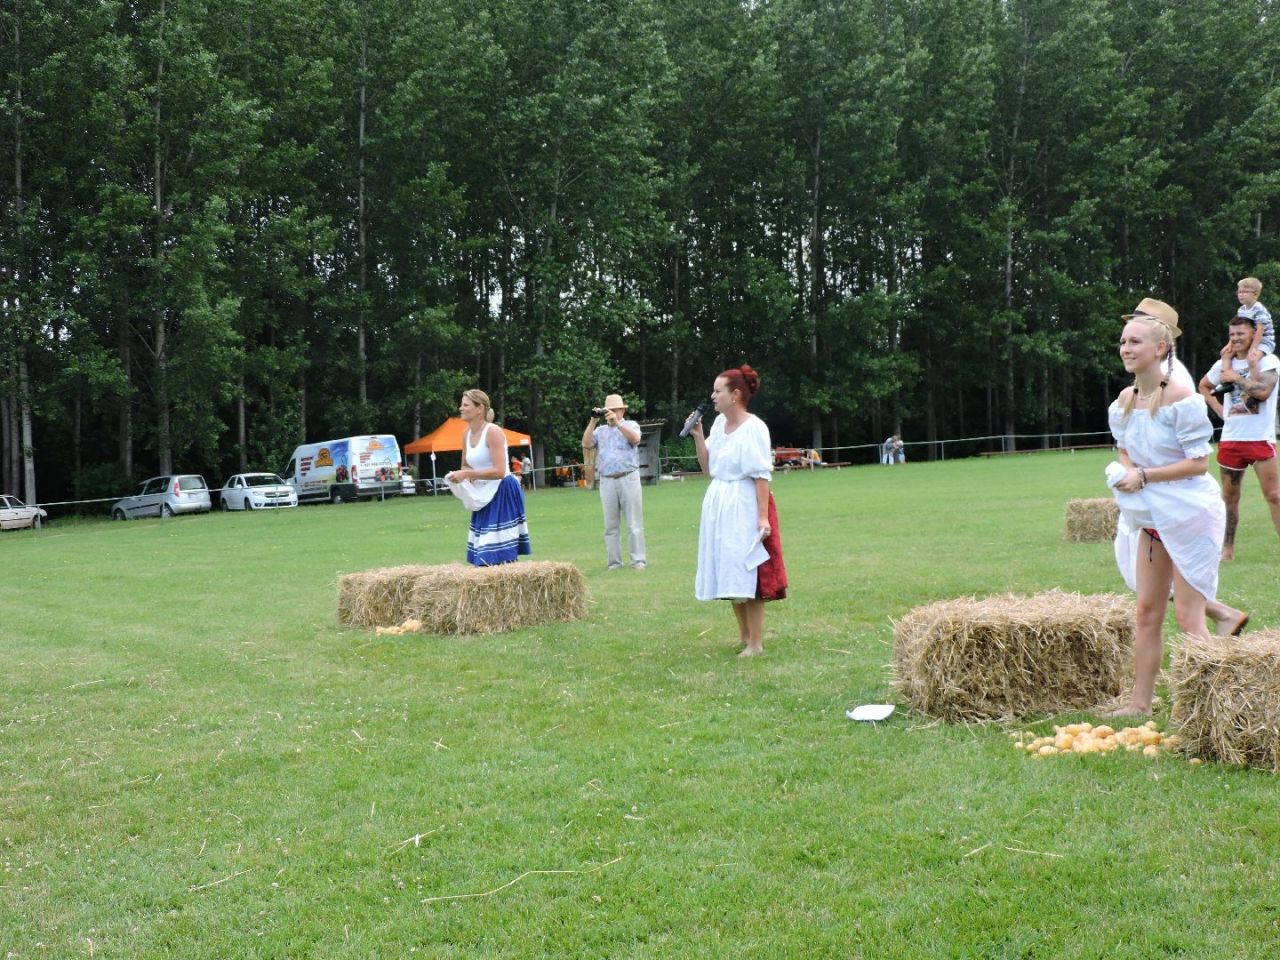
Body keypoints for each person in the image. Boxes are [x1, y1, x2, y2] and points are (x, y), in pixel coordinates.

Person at [1105, 299, 1243, 717]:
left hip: (1191, 516)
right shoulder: (1124, 400)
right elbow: (1124, 449)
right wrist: (1126, 471)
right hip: (1153, 519)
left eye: (1135, 341)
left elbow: (1199, 463)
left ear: (1160, 348)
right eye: (1123, 341)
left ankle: (1213, 711)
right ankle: (1140, 704)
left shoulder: (1182, 399)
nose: (1126, 348)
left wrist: (1144, 477)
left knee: (1188, 617)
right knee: (1147, 612)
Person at [689, 364, 787, 656]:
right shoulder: (719, 424)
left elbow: (761, 476)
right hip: (720, 501)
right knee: (728, 567)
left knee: (748, 568)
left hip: (744, 503)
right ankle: (744, 636)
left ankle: (756, 643)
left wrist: (762, 517)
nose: (713, 396)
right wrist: (698, 436)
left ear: (734, 395)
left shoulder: (754, 428)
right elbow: (708, 468)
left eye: (717, 391)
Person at [1199, 314, 1280, 561]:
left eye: (1240, 333)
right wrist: (1219, 410)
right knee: (1229, 498)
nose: (1235, 339)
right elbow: (1203, 385)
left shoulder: (1268, 361)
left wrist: (1236, 377)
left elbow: (1263, 392)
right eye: (1232, 334)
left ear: (1254, 334)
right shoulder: (1223, 364)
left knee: (1275, 496)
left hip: (1260, 439)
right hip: (1231, 440)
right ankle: (1227, 550)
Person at [444, 389, 530, 566]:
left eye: (465, 405)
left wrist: (467, 474)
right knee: (484, 555)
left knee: (497, 554)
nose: (460, 408)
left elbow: (499, 471)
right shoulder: (467, 434)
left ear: (479, 409)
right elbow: (466, 465)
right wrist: (461, 476)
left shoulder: (493, 432)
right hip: (482, 494)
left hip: (502, 491)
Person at [581, 393, 646, 570]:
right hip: (607, 480)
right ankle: (614, 562)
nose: (611, 414)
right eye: (608, 411)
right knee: (610, 526)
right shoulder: (600, 431)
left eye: (615, 410)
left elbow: (635, 439)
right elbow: (586, 444)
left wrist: (618, 424)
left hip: (628, 477)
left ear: (622, 411)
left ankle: (638, 560)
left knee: (634, 523)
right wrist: (593, 421)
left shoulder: (631, 425)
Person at [1221, 276, 1275, 364]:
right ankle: (1227, 371)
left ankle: (1254, 373)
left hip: (1263, 341)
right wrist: (1229, 345)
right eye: (1239, 292)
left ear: (1255, 295)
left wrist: (1253, 348)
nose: (1241, 294)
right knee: (1226, 354)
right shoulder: (1241, 310)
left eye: (1245, 292)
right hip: (1247, 341)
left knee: (1252, 358)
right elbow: (1236, 330)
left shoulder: (1259, 309)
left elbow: (1260, 331)